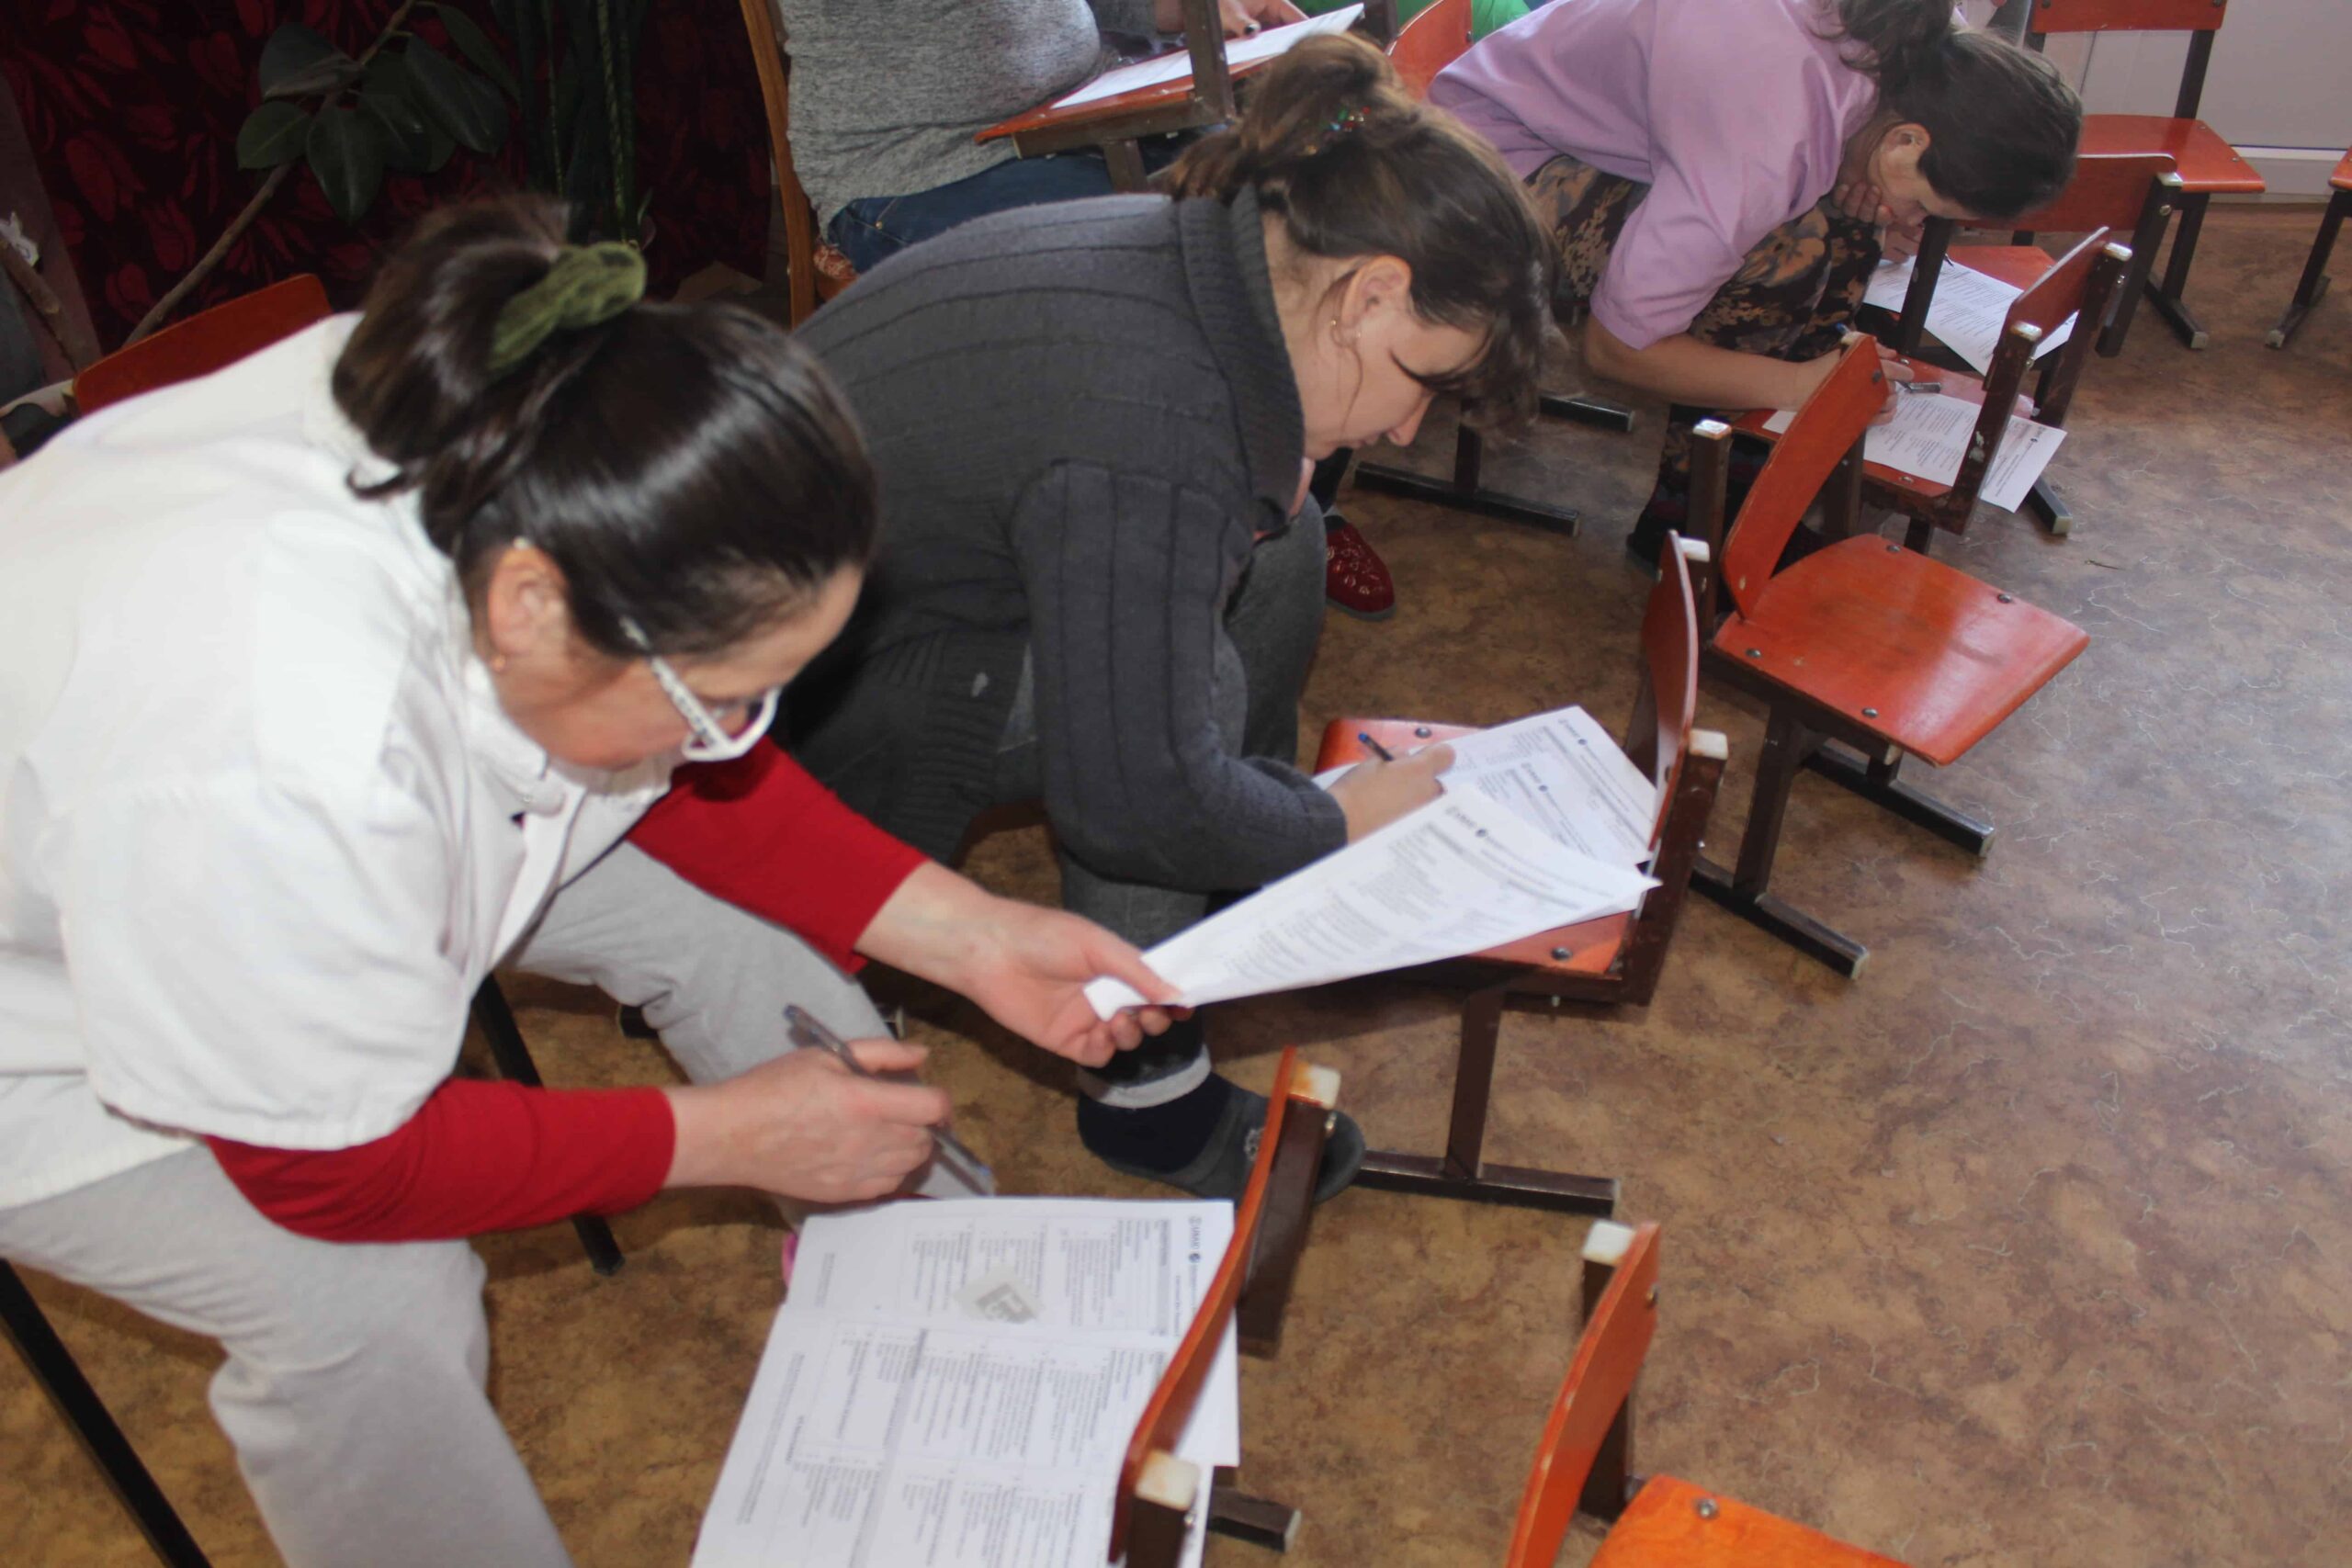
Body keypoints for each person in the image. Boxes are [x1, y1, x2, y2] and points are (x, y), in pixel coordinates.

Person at [0, 196, 1176, 1566]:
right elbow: (327, 1176)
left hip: (262, 825)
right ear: (530, 611)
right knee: (372, 1302)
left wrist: (964, 929)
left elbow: (659, 771)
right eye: (727, 699)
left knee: (742, 934)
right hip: (47, 1009)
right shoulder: (280, 749)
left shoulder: (518, 421)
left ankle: (943, 1318)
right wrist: (721, 1135)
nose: (739, 741)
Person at [786, 33, 1551, 1202]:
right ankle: (1152, 1099)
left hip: (882, 600)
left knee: (1281, 543)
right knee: (1177, 713)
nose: (1406, 430)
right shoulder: (1156, 425)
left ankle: (1212, 904)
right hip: (786, 725)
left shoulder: (1204, 252)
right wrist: (1335, 825)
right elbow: (1134, 789)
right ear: (1369, 293)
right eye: (1424, 380)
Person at [778, 0, 1410, 617]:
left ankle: (1300, 506)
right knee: (1172, 284)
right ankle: (1175, 557)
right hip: (923, 163)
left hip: (1086, 109)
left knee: (1324, 214)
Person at [1430, 0, 2081, 564]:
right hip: (1486, 158)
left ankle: (1761, 480)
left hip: (1589, 116)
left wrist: (1856, 171)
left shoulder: (1929, 43)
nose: (1913, 222)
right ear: (1906, 140)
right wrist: (1799, 383)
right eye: (1929, 210)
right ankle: (1689, 529)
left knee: (1846, 229)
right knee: (1783, 262)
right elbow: (1617, 346)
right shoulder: (1762, 150)